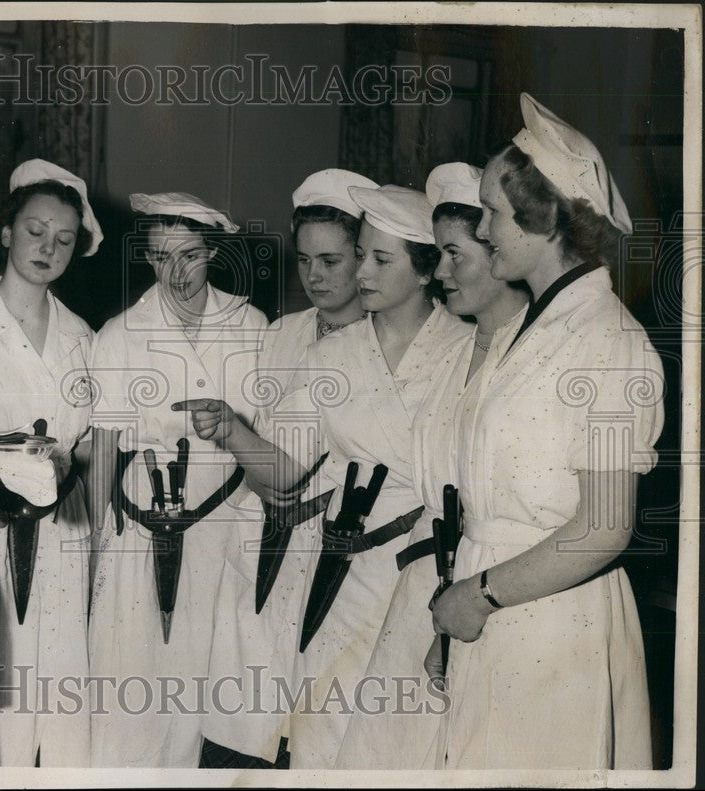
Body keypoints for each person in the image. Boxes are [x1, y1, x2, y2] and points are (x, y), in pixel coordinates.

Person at [180, 184, 472, 768]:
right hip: (342, 572)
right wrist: (231, 431)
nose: (362, 271)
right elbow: (283, 472)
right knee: (323, 738)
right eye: (360, 254)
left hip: (423, 573)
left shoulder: (465, 351)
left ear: (424, 271)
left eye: (379, 259)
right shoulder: (330, 358)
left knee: (400, 745)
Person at [427, 93, 664, 769]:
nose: (482, 228)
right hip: (487, 615)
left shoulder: (611, 342)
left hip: (557, 628)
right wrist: (455, 611)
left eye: (493, 214)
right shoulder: (521, 328)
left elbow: (606, 527)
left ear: (543, 220)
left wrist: (481, 593)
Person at [334, 162, 529, 769]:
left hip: (489, 592)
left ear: (500, 254)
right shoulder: (457, 357)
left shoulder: (529, 357)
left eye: (455, 254)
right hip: (426, 584)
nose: (441, 272)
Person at [85, 192, 269, 767]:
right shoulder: (120, 333)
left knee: (204, 685)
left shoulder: (252, 325)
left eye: (189, 255)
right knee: (130, 687)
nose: (177, 273)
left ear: (213, 251)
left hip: (226, 524)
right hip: (140, 528)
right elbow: (104, 450)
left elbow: (264, 443)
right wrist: (95, 550)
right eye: (162, 257)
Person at [199, 167, 375, 769]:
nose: (316, 276)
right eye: (304, 261)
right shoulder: (282, 334)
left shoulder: (384, 346)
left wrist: (235, 433)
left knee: (311, 740)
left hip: (336, 558)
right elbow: (262, 451)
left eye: (331, 260)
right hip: (260, 545)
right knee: (238, 732)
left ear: (365, 258)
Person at [0, 158, 102, 766]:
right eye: (36, 230)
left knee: (68, 701)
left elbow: (93, 442)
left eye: (65, 239)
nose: (49, 247)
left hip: (67, 534)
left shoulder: (83, 337)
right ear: (6, 231)